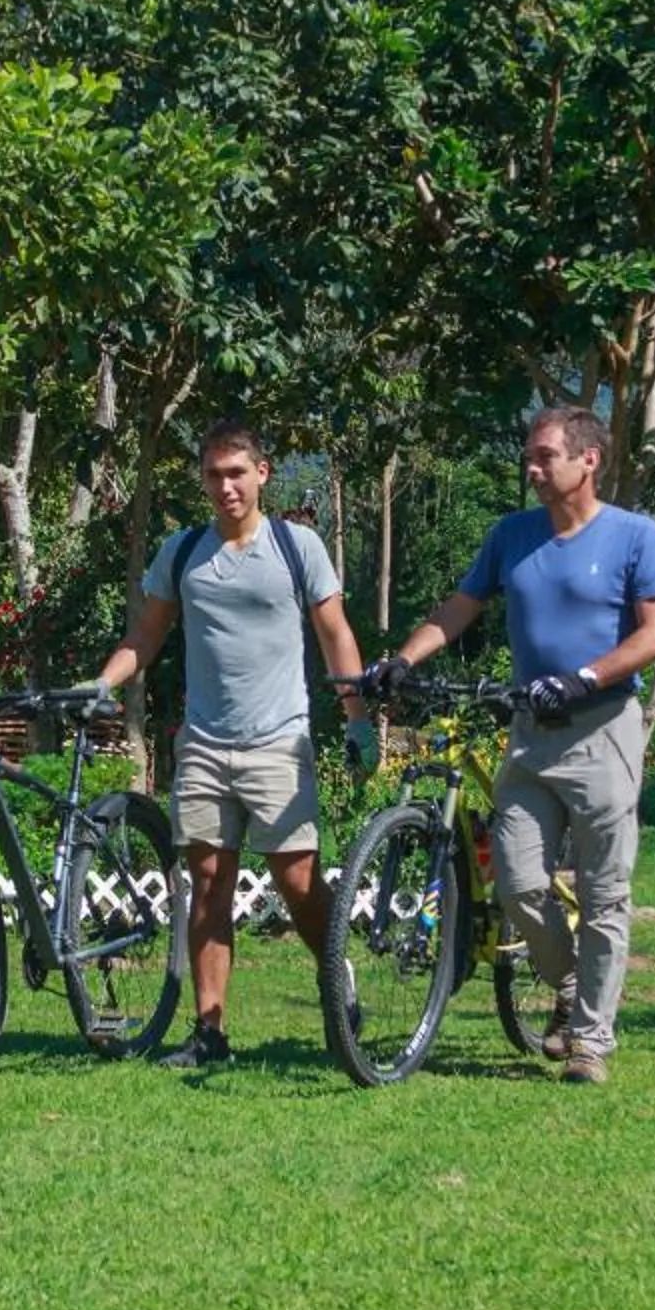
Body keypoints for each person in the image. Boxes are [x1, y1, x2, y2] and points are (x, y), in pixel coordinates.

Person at [358, 406, 655, 1085]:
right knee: (519, 880)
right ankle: (568, 987)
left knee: (603, 894)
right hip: (531, 733)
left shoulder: (634, 536)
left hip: (603, 728)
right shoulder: (512, 536)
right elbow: (458, 609)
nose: (531, 470)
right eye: (528, 457)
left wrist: (584, 678)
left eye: (544, 457)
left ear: (588, 460)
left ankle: (590, 1041)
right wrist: (404, 661)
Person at [87, 422, 376, 1069]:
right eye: (214, 475)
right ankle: (210, 1033)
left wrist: (357, 718)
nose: (226, 486)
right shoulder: (184, 551)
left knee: (297, 881)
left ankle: (338, 976)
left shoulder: (295, 546)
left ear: (262, 474)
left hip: (279, 741)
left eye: (237, 473)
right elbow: (147, 635)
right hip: (205, 746)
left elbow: (335, 633)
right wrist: (100, 683)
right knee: (209, 884)